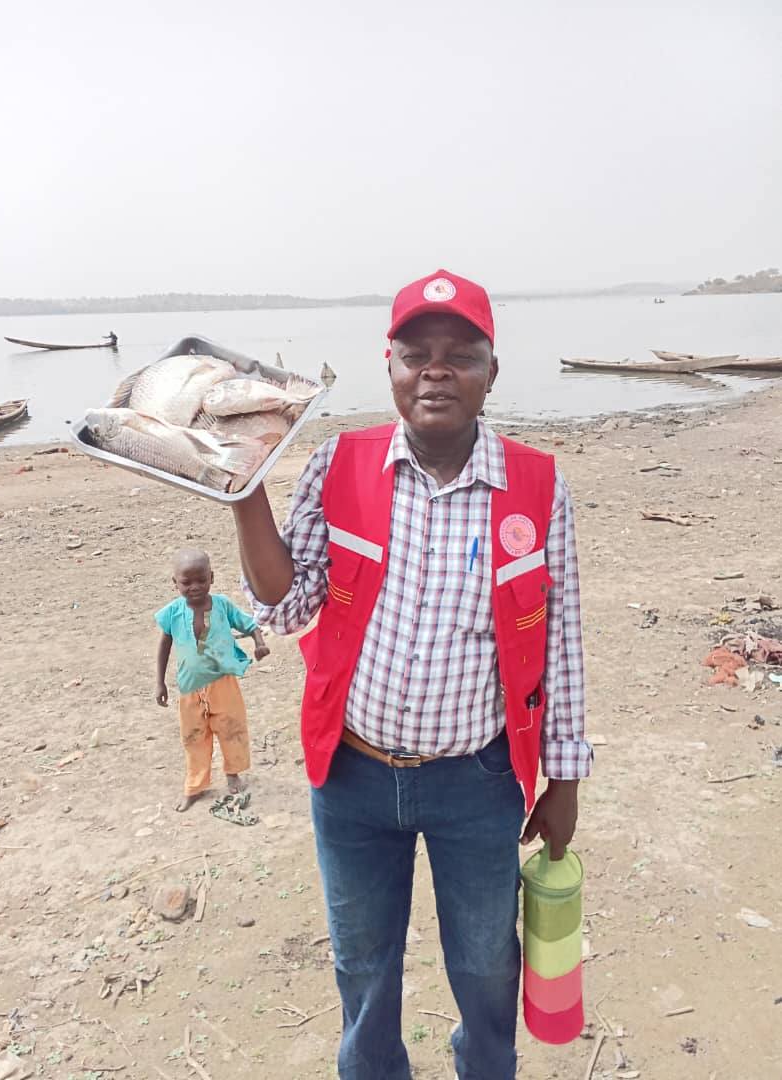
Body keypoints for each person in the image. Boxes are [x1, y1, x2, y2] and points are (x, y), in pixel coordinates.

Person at [232, 269, 592, 1079]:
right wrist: (243, 489)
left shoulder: (537, 484)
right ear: (388, 368)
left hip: (480, 780)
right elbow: (288, 610)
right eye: (415, 354)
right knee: (363, 965)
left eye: (459, 354)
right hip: (352, 776)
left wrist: (564, 780)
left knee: (486, 965)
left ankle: (485, 1067)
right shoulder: (341, 465)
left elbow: (561, 634)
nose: (437, 370)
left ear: (490, 373)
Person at [155, 547, 269, 812]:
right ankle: (195, 786)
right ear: (175, 583)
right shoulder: (172, 613)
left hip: (223, 683)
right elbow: (164, 645)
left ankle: (233, 773)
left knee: (231, 729)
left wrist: (259, 644)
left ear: (212, 578)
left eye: (201, 580)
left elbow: (249, 625)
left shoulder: (222, 606)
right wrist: (159, 682)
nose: (194, 587)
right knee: (194, 738)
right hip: (189, 687)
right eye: (186, 582)